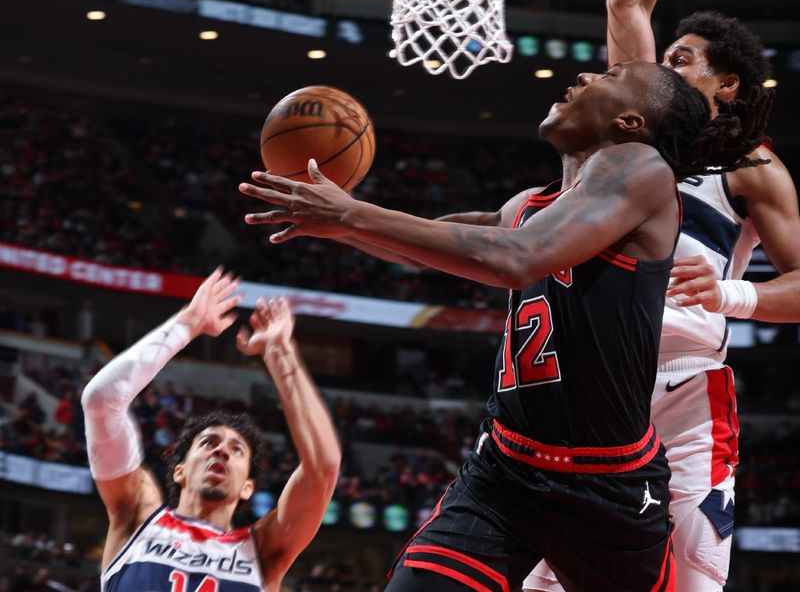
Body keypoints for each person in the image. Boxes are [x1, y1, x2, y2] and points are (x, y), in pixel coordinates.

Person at [239, 62, 765, 590]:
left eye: (609, 76)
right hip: (506, 469)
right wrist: (334, 218)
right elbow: (430, 244)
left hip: (606, 484)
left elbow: (519, 257)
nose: (584, 75)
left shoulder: (642, 169)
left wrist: (350, 217)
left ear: (629, 122)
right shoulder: (530, 206)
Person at [524, 0, 800, 592]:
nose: (663, 69)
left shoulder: (752, 166)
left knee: (692, 581)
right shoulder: (631, 136)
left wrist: (732, 294)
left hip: (685, 390)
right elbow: (626, 7)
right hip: (588, 384)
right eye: (663, 58)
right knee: (548, 582)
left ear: (727, 84)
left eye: (683, 60)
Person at [81, 268, 341, 591]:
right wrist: (186, 325)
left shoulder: (262, 551)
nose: (221, 450)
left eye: (237, 450)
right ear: (179, 470)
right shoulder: (136, 515)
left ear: (248, 488)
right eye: (208, 442)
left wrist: (279, 351)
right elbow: (101, 401)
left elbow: (323, 466)